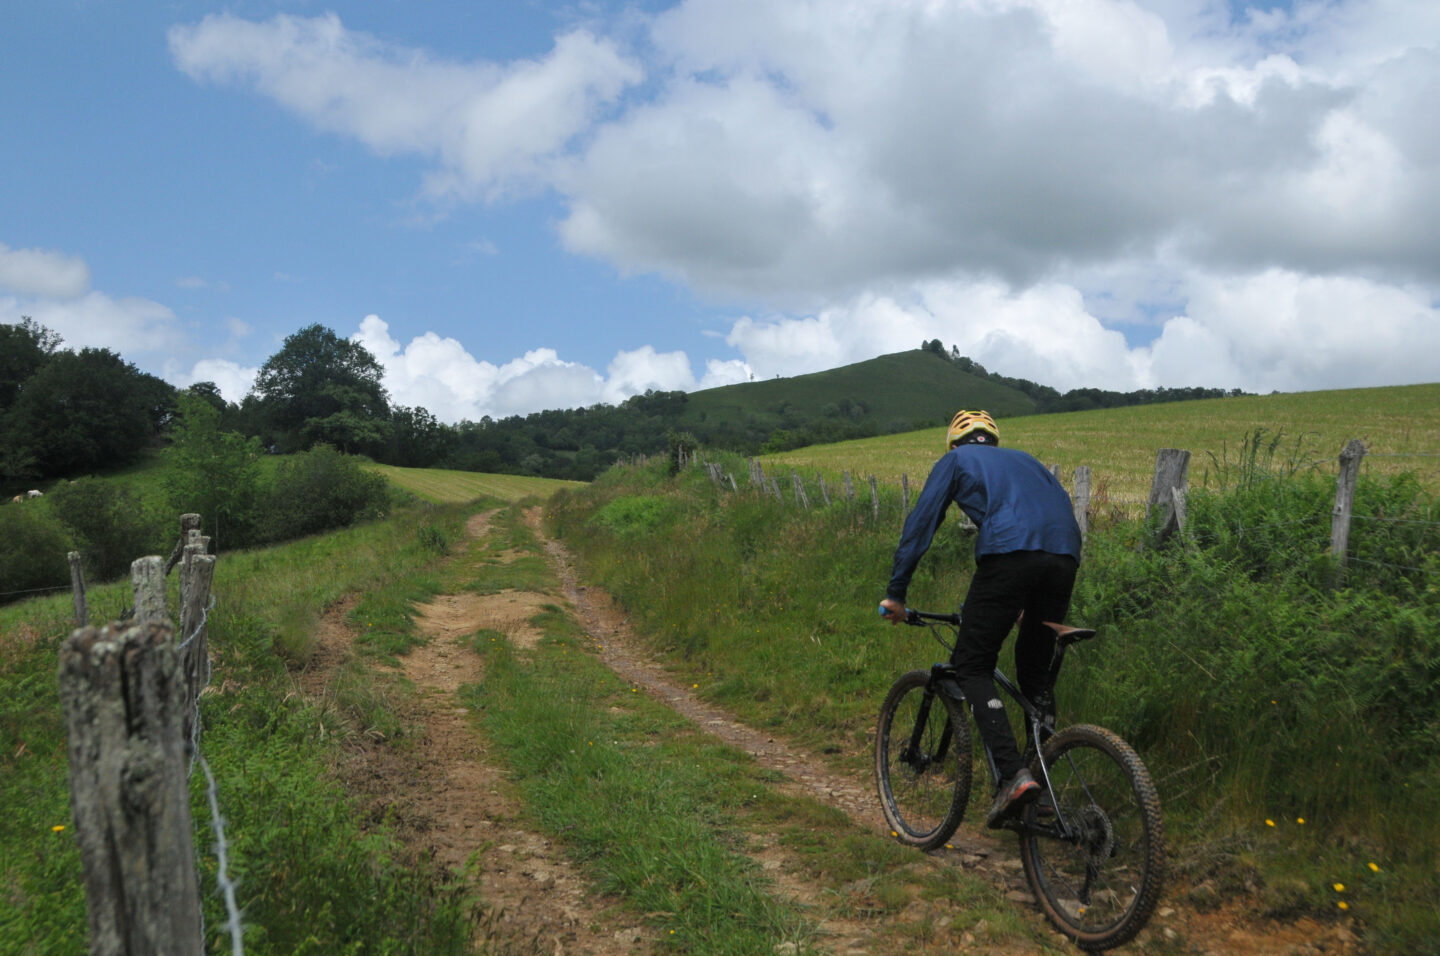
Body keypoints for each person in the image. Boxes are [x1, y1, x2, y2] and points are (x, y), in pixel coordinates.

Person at [879, 410, 1082, 828]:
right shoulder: (1027, 461)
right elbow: (1057, 512)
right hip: (1064, 555)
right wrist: (1028, 595)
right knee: (1034, 672)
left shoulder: (956, 460)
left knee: (972, 664)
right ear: (993, 440)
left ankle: (1012, 775)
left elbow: (921, 524)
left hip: (1009, 553)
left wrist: (896, 593)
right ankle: (1039, 785)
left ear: (955, 442)